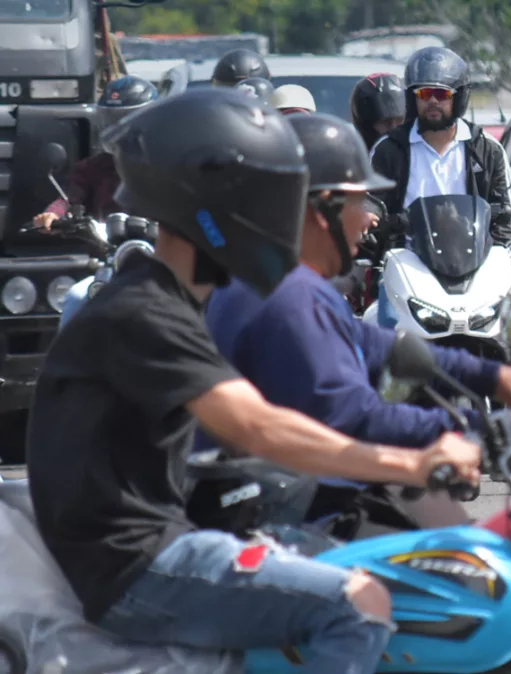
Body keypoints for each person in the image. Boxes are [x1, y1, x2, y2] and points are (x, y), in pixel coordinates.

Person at [26, 87, 482, 673]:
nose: (282, 219)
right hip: (139, 565)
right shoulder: (143, 312)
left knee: (399, 568)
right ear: (216, 208)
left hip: (162, 534)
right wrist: (415, 462)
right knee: (360, 603)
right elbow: (259, 426)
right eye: (270, 200)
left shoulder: (171, 296)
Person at [198, 112, 511, 528]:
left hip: (297, 496)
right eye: (362, 201)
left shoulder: (274, 279)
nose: (373, 218)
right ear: (323, 209)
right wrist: (498, 427)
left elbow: (376, 343)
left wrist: (496, 377)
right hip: (293, 516)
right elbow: (358, 418)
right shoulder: (290, 297)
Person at [370, 46, 511, 328]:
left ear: (459, 97)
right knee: (385, 338)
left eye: (442, 95)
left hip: (475, 274)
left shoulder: (485, 149)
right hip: (406, 269)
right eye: (425, 94)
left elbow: (510, 221)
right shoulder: (389, 151)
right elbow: (369, 212)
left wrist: (494, 262)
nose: (433, 103)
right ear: (412, 98)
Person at [41, 75, 159, 328]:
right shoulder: (92, 168)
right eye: (111, 122)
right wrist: (53, 215)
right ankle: (64, 368)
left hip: (164, 262)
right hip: (111, 264)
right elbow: (70, 200)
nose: (118, 131)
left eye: (126, 122)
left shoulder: (168, 165)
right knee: (75, 298)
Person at [351, 73, 406, 151]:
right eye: (386, 122)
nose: (394, 128)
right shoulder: (352, 160)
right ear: (366, 125)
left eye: (400, 120)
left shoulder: (417, 156)